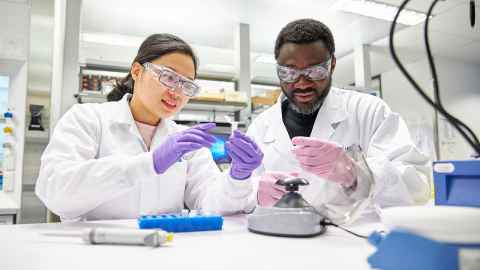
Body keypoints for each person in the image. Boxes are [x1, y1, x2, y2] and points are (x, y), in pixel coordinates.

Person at [35, 34, 263, 221]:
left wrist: (237, 178)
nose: (176, 92)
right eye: (168, 77)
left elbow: (210, 204)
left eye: (187, 85)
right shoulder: (88, 119)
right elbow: (55, 192)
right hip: (95, 252)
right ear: (136, 71)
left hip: (164, 251)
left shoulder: (185, 140)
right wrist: (149, 163)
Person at [248, 19, 431, 222]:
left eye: (315, 71)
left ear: (332, 64)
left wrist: (357, 173)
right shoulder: (260, 126)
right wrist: (254, 190)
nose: (301, 83)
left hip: (353, 242)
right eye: (289, 72)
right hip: (279, 240)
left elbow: (418, 185)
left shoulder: (369, 110)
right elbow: (238, 194)